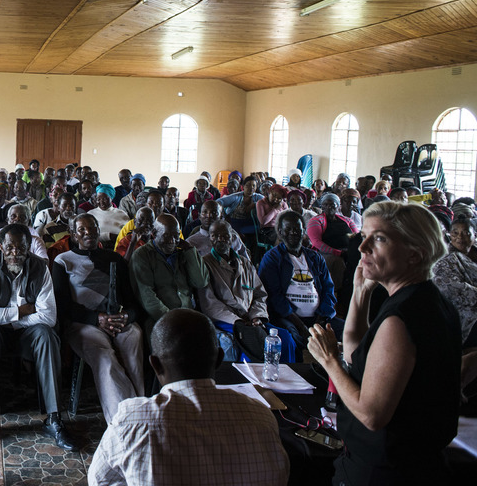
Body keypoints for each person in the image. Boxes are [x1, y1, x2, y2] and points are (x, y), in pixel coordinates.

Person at [308, 202, 462, 485]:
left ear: (414, 254)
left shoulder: (401, 320)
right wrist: (360, 293)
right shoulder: (428, 302)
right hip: (410, 465)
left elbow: (371, 414)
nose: (362, 246)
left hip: (385, 472)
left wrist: (329, 360)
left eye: (379, 238)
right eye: (364, 235)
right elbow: (359, 358)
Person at [88, 309, 288, 486]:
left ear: (155, 364)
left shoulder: (131, 423)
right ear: (219, 359)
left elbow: (99, 480)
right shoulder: (261, 417)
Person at [0, 224, 77, 451]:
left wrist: (9, 318)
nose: (15, 252)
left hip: (27, 332)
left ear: (29, 247)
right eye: (10, 247)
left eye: (20, 247)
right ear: (1, 247)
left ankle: (53, 418)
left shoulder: (41, 268)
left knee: (47, 335)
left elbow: (49, 316)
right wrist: (19, 312)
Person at [52, 214, 146, 423]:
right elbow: (63, 306)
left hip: (117, 319)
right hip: (84, 323)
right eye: (82, 230)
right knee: (105, 358)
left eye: (93, 228)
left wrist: (126, 316)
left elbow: (132, 302)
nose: (89, 233)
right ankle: (122, 420)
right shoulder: (63, 261)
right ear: (74, 234)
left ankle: (141, 408)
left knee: (134, 340)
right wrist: (97, 319)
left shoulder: (114, 259)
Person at [198, 220, 294, 363]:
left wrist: (256, 316)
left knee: (285, 339)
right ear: (210, 238)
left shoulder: (245, 263)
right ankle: (252, 382)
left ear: (232, 237)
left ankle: (288, 379)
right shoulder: (205, 264)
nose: (220, 239)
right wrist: (237, 321)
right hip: (226, 320)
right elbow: (210, 304)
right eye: (214, 235)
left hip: (251, 318)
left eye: (225, 235)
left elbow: (259, 294)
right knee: (251, 345)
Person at [259, 211, 344, 351]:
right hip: (289, 318)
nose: (293, 232)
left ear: (303, 231)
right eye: (288, 229)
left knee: (349, 332)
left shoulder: (314, 257)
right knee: (294, 338)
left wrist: (320, 320)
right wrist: (301, 326)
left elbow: (329, 290)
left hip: (318, 317)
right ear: (280, 232)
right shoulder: (273, 258)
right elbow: (274, 296)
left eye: (297, 229)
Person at [129, 214, 208, 328]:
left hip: (188, 314)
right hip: (160, 319)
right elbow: (148, 299)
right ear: (154, 233)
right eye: (166, 236)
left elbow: (201, 281)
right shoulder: (142, 255)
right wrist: (173, 320)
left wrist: (190, 250)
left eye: (176, 236)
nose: (172, 241)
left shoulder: (182, 252)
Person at [432, 217, 477, 393]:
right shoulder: (445, 258)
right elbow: (449, 287)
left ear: (474, 236)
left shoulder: (474, 255)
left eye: (466, 233)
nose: (460, 237)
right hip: (460, 315)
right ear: (449, 235)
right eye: (456, 232)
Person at [88, 184, 130, 248]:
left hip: (119, 247)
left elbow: (128, 233)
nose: (101, 202)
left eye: (104, 199)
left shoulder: (122, 214)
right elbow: (87, 235)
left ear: (111, 198)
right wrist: (108, 236)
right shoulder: (90, 214)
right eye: (98, 199)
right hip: (96, 248)